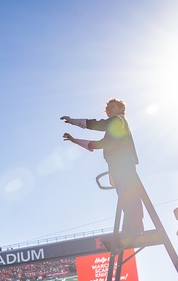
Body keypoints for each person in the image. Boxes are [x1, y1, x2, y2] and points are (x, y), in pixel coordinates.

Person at [61, 98, 144, 242]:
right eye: (107, 108)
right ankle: (132, 228)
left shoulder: (117, 120)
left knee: (129, 197)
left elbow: (99, 129)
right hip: (118, 166)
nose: (109, 109)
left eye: (113, 107)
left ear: (120, 109)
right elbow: (103, 143)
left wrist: (73, 121)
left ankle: (134, 229)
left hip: (123, 165)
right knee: (127, 198)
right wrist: (76, 140)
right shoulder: (116, 125)